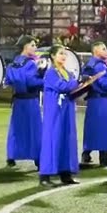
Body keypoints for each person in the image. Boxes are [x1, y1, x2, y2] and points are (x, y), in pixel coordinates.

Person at [39, 45, 86, 186]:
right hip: (55, 111)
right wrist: (78, 82)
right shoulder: (51, 73)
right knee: (52, 139)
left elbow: (72, 90)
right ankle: (45, 175)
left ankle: (65, 173)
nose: (63, 56)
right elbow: (62, 87)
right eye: (60, 54)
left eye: (65, 54)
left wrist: (85, 85)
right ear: (53, 56)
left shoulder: (68, 73)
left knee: (67, 140)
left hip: (67, 109)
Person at [5, 35, 44, 169]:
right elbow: (31, 82)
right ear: (25, 46)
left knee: (16, 129)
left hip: (18, 100)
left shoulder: (13, 63)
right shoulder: (30, 63)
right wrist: (44, 79)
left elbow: (8, 81)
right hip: (30, 100)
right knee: (35, 129)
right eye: (32, 45)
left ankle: (11, 156)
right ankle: (38, 158)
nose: (35, 48)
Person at [80, 41, 107, 167]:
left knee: (91, 128)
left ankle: (86, 153)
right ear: (96, 51)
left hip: (92, 100)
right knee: (105, 127)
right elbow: (104, 83)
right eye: (104, 48)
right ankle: (104, 156)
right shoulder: (100, 66)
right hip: (102, 99)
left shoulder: (90, 64)